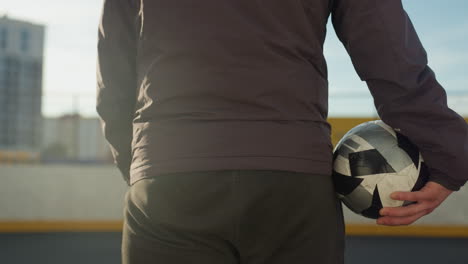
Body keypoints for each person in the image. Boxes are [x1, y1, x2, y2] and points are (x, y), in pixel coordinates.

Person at [96, 0, 468, 263]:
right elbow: (386, 46)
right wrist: (447, 154)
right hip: (292, 182)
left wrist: (143, 164)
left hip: (170, 177)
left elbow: (114, 69)